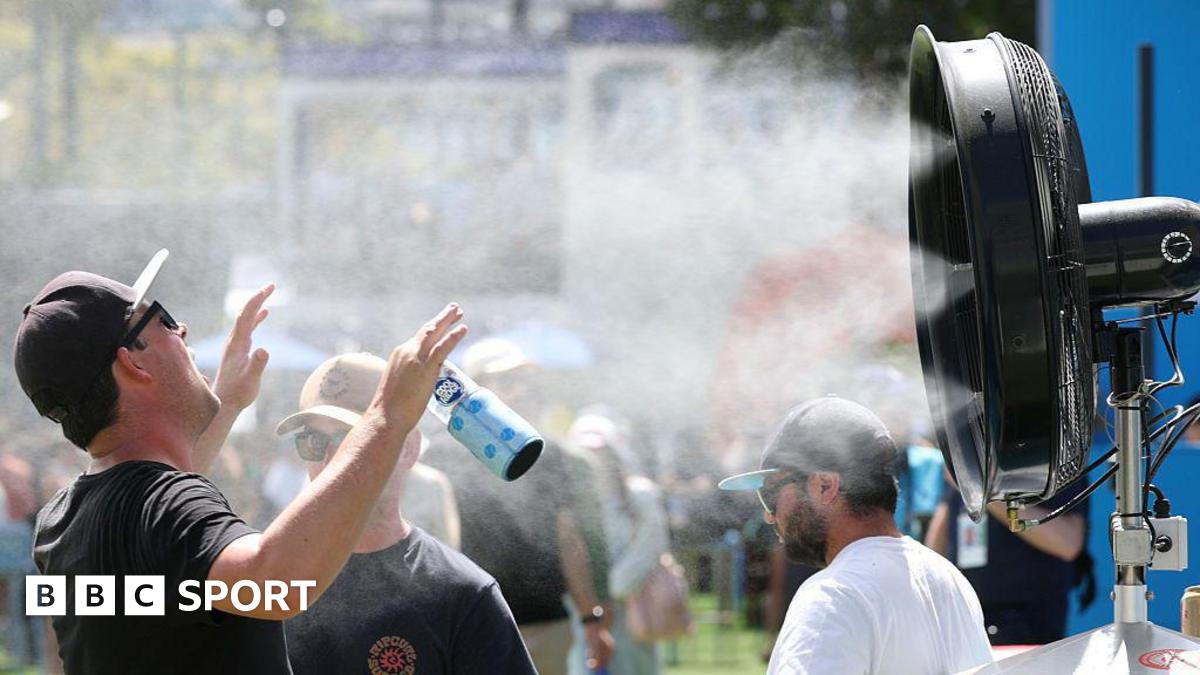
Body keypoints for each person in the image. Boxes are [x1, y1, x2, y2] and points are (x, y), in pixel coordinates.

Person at [15, 251, 466, 674]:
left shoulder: (62, 520)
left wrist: (223, 402)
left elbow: (167, 551)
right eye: (163, 321)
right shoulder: (165, 508)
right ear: (133, 362)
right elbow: (278, 583)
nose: (183, 330)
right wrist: (387, 417)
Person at [275, 353, 534, 674]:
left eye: (351, 439)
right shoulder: (267, 580)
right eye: (313, 440)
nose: (330, 460)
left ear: (409, 448)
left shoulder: (462, 596)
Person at [719, 396, 993, 675]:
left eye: (770, 493)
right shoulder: (948, 578)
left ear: (825, 486)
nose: (769, 514)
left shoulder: (832, 596)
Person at [421, 337, 614, 675]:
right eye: (508, 382)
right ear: (476, 389)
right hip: (469, 625)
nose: (522, 391)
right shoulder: (439, 456)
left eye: (527, 382)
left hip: (545, 624)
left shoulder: (548, 455)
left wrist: (590, 618)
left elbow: (569, 540)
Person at [925, 473, 1092, 645]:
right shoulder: (965, 452)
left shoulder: (1053, 452)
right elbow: (941, 529)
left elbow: (1068, 543)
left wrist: (982, 493)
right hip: (966, 625)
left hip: (1028, 630)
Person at [568, 412, 670, 675]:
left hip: (631, 609)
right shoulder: (571, 502)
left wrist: (610, 591)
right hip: (585, 611)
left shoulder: (640, 495)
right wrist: (592, 598)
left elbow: (649, 546)